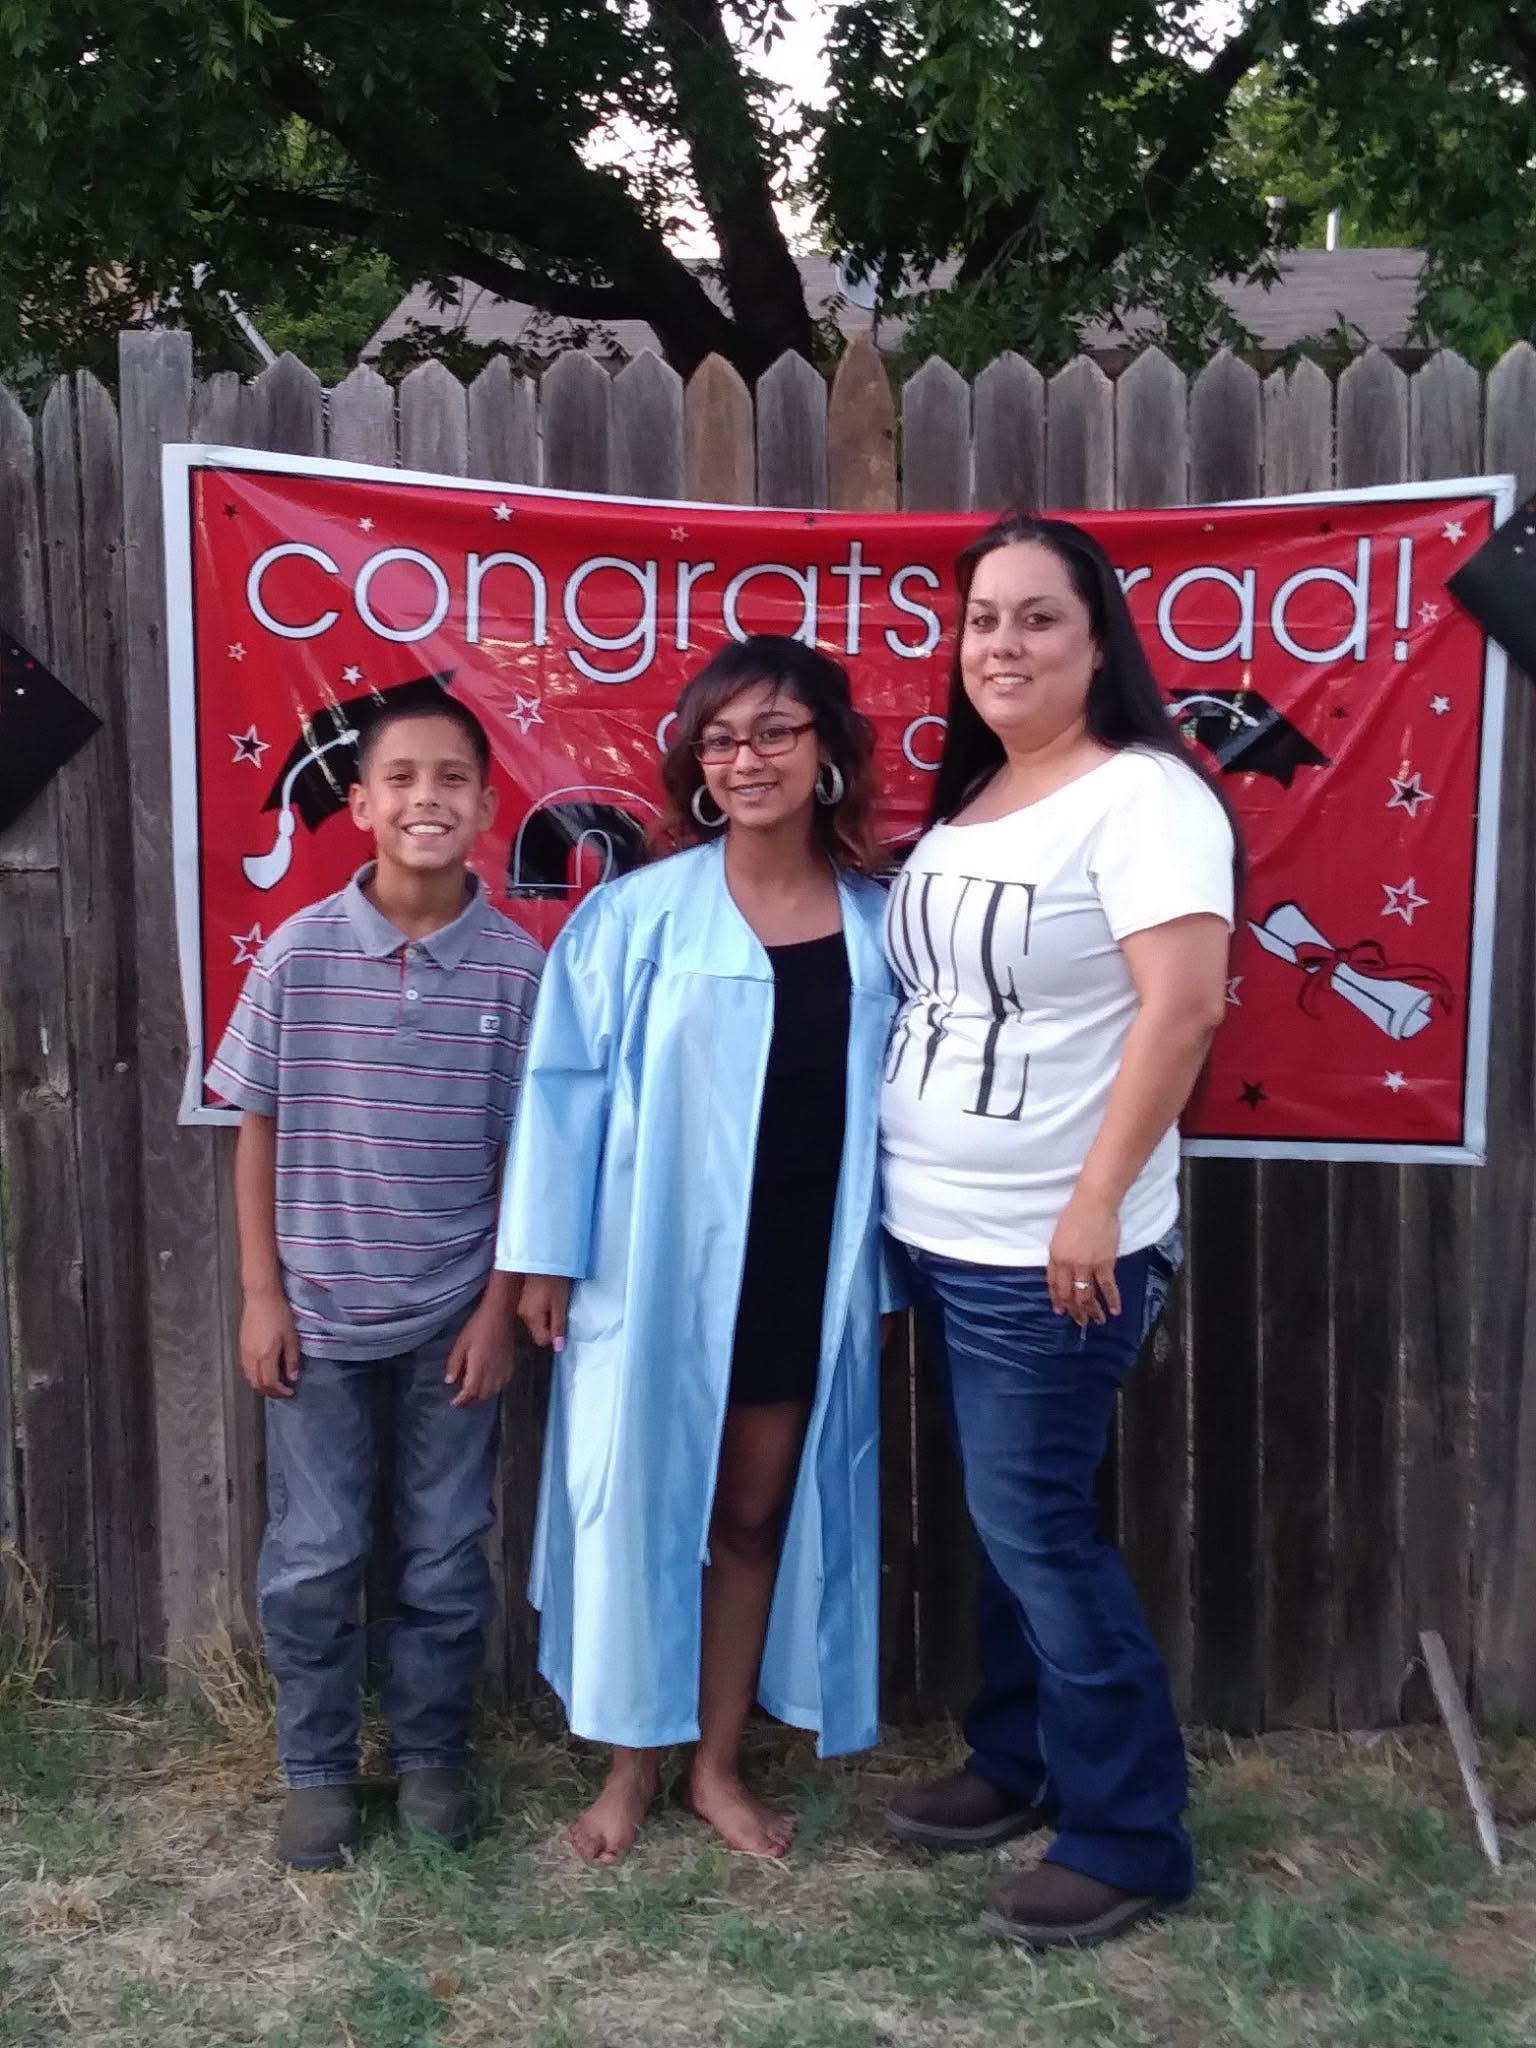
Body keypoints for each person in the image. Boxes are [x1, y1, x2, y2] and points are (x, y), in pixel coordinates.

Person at [879, 513, 1238, 1949]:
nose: (1004, 644)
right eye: (983, 618)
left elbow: (1186, 1007)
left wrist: (1093, 1200)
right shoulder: (980, 795)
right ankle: (1020, 1754)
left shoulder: (1144, 796)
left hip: (1054, 1246)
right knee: (1011, 1515)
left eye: (1039, 618)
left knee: (1036, 1526)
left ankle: (1128, 1832)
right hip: (939, 1230)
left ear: (1099, 644)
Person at [498, 635, 897, 1865]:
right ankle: (630, 1764)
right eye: (720, 739)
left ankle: (715, 1764)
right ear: (696, 766)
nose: (747, 758)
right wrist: (546, 1255)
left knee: (753, 1514)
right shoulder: (634, 919)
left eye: (775, 730)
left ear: (827, 749)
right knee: (642, 1505)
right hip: (650, 1263)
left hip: (799, 1263)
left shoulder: (883, 929)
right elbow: (562, 1089)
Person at [208, 693, 541, 1871]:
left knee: (446, 1548)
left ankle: (432, 1754)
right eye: (400, 777)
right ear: (358, 804)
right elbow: (255, 1122)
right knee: (317, 1549)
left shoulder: (517, 971)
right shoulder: (299, 954)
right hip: (316, 1316)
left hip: (454, 1316)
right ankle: (317, 1767)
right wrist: (262, 1292)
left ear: (488, 806)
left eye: (451, 778)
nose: (425, 799)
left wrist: (498, 1309)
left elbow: (531, 1157)